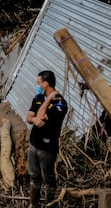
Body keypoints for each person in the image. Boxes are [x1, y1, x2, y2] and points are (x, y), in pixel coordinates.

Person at [26, 70, 68, 207]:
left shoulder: (60, 103)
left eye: (39, 83)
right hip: (34, 145)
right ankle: (34, 203)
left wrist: (49, 99)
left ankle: (50, 204)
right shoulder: (38, 98)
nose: (37, 85)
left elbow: (41, 115)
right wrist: (34, 119)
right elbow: (29, 117)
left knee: (48, 179)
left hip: (47, 148)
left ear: (45, 84)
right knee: (34, 176)